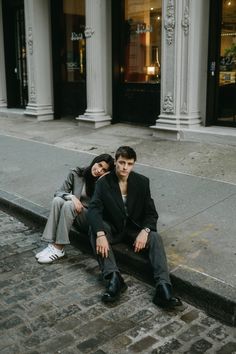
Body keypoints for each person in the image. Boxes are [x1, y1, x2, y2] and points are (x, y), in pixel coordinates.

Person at [88, 146, 182, 309]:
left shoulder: (142, 182)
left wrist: (145, 231)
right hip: (113, 229)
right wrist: (100, 234)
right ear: (116, 162)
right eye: (121, 162)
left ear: (133, 164)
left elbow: (151, 213)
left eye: (129, 164)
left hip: (134, 230)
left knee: (155, 237)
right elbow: (94, 210)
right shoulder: (103, 183)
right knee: (94, 230)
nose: (125, 167)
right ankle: (114, 278)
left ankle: (163, 287)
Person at [35, 153, 114, 264]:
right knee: (58, 200)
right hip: (73, 213)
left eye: (104, 170)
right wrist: (72, 197)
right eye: (99, 165)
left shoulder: (104, 183)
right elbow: (59, 192)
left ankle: (59, 248)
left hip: (91, 220)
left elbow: (103, 209)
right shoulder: (77, 173)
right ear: (94, 161)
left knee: (68, 205)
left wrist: (103, 182)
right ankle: (52, 245)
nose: (99, 170)